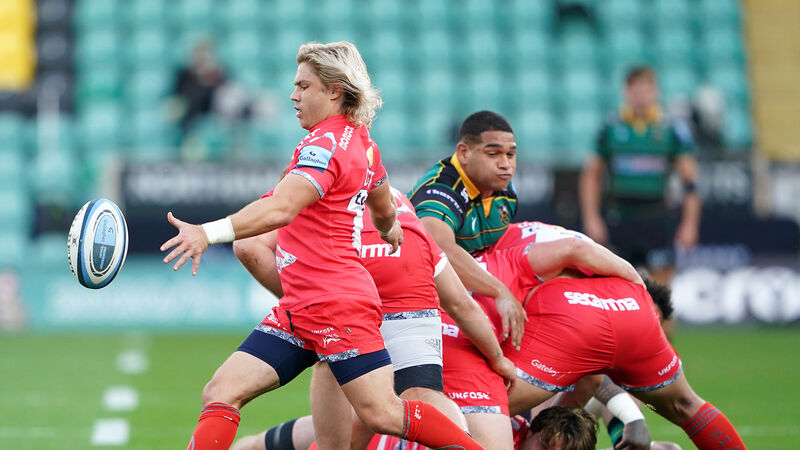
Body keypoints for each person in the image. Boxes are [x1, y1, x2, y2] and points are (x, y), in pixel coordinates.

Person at [160, 41, 482, 450]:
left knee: (381, 413)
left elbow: (282, 207)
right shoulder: (363, 142)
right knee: (221, 390)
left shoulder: (325, 145)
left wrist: (208, 233)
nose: (293, 95)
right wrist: (389, 230)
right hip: (302, 306)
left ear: (334, 91)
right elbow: (383, 203)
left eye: (303, 86)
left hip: (337, 305)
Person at [231, 188, 515, 450]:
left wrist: (308, 300)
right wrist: (499, 359)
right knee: (419, 393)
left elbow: (248, 246)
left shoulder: (303, 186)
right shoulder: (395, 199)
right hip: (403, 263)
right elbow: (461, 304)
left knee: (332, 375)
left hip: (345, 272)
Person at [502, 274, 745, 449]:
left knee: (626, 388)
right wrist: (633, 418)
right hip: (531, 405)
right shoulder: (592, 324)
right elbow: (594, 381)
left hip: (548, 412)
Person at [408, 110, 526, 348]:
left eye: (511, 154)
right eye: (493, 154)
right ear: (464, 153)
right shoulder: (440, 190)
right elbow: (439, 248)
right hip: (426, 297)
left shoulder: (503, 189)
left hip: (473, 286)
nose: (505, 164)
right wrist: (499, 290)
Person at [579, 65, 701, 285]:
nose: (641, 96)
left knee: (660, 289)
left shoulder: (671, 129)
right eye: (635, 90)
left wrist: (690, 224)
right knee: (616, 286)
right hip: (620, 216)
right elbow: (591, 176)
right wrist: (591, 218)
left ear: (655, 92)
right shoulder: (610, 127)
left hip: (657, 217)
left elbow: (690, 182)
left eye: (646, 90)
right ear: (626, 92)